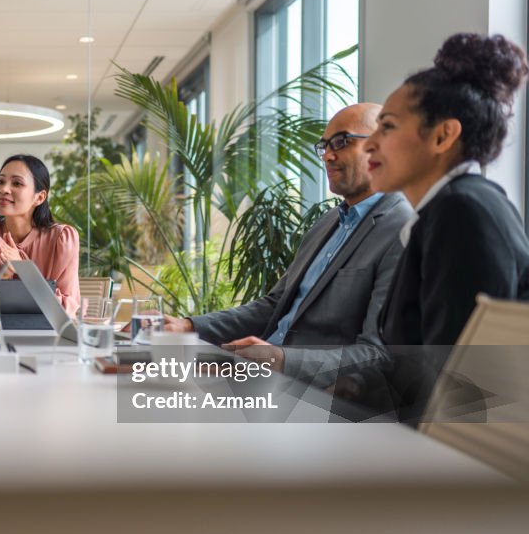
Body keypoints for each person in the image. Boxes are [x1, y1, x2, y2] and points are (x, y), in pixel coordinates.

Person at [164, 103, 412, 387]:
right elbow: (273, 306)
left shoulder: (403, 229)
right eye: (324, 146)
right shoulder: (328, 222)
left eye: (341, 142)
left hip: (310, 394)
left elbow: (377, 354)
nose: (328, 156)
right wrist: (188, 326)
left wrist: (282, 360)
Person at [363, 33, 529, 421]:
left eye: (386, 127)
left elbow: (459, 400)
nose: (369, 144)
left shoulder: (462, 214)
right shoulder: (455, 208)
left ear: (442, 136)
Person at [0, 154, 80, 321]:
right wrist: (2, 277)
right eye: (0, 181)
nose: (3, 189)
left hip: (48, 341)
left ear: (39, 197)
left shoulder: (62, 239)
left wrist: (23, 269)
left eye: (17, 183)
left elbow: (66, 312)